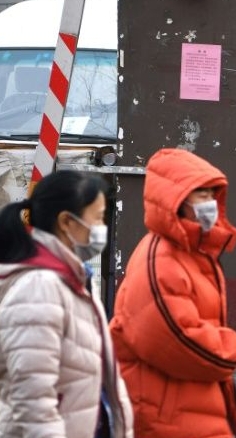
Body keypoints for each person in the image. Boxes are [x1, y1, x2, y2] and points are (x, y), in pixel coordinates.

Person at [109, 148, 236, 438]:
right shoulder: (162, 258)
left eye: (212, 195)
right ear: (177, 201)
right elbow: (177, 340)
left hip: (185, 406)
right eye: (201, 195)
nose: (209, 204)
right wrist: (231, 349)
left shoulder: (190, 251)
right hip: (168, 413)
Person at [0, 170, 134, 438]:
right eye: (97, 218)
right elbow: (33, 399)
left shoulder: (74, 277)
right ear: (66, 222)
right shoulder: (40, 287)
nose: (101, 228)